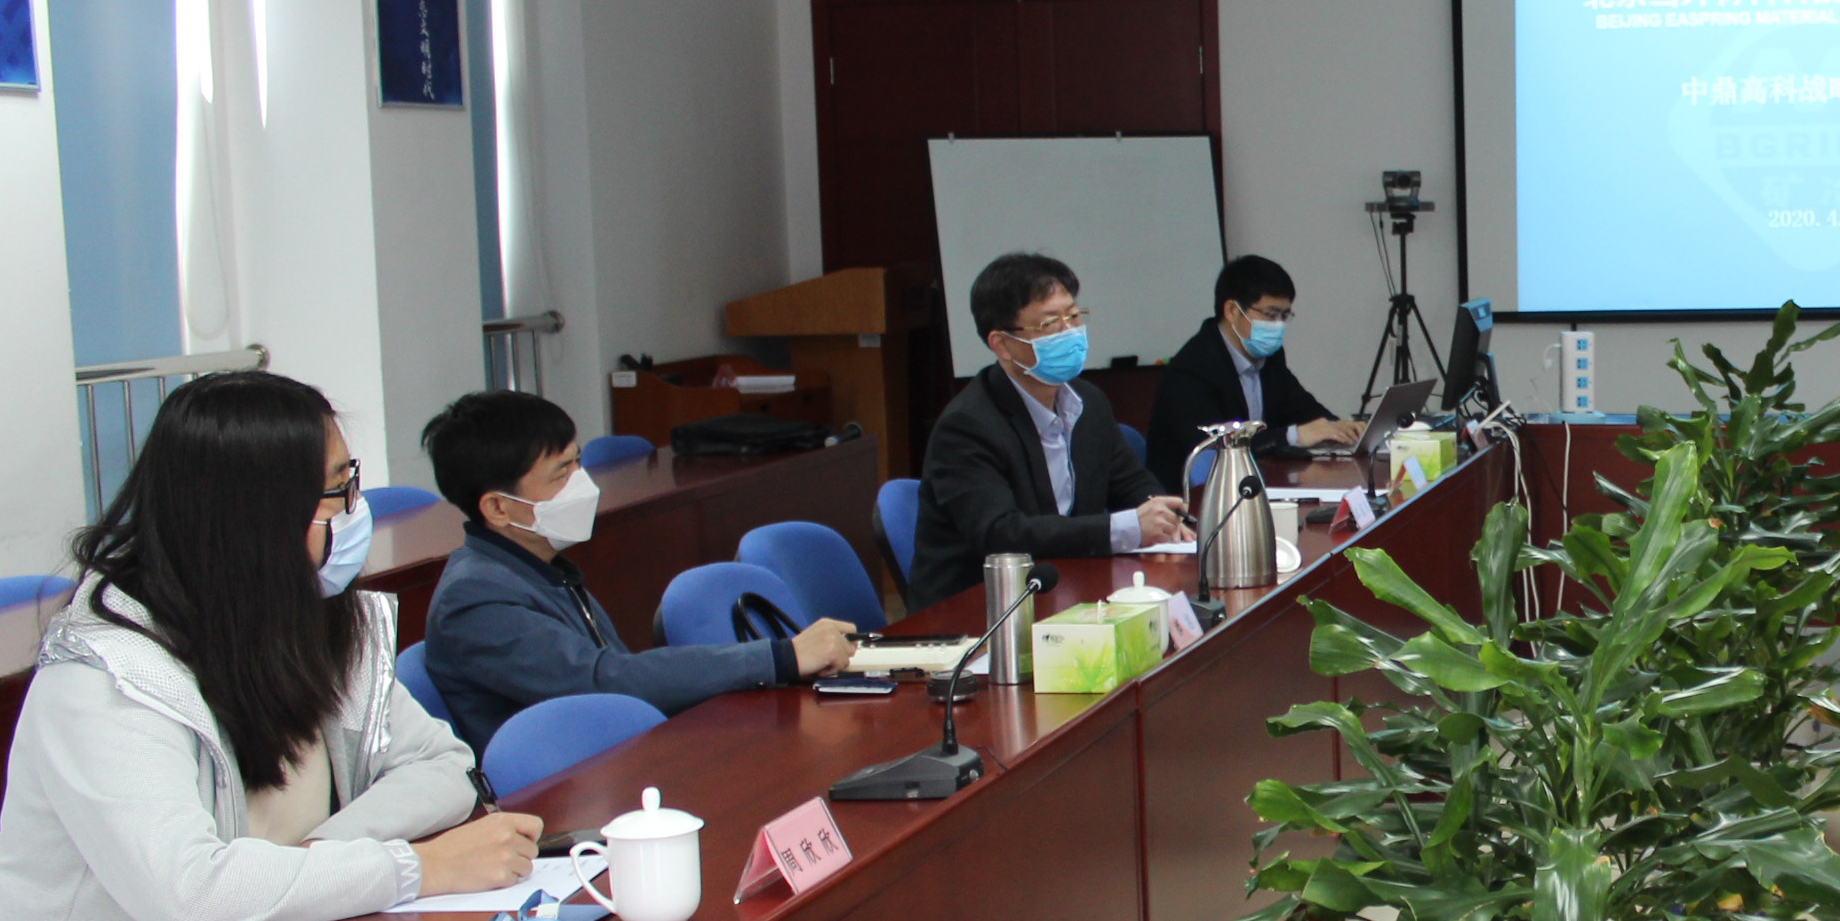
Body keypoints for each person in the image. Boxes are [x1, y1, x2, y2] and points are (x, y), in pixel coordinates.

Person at [0, 372, 540, 921]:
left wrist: (315, 861)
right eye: (334, 492)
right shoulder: (103, 678)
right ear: (253, 515)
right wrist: (415, 867)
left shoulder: (311, 622)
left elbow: (443, 766)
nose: (352, 513)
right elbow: (189, 892)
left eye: (349, 482)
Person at [418, 391, 860, 749]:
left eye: (578, 461)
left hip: (613, 757)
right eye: (561, 472)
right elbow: (604, 680)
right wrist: (780, 657)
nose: (581, 482)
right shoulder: (475, 599)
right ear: (497, 508)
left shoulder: (537, 566)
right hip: (562, 791)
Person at [910, 253, 1189, 608]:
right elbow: (1002, 534)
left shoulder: (1088, 401)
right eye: (1050, 323)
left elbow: (1128, 480)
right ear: (1002, 344)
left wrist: (1163, 515)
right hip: (979, 608)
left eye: (1073, 316)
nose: (1069, 331)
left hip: (1067, 586)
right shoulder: (967, 426)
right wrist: (1124, 528)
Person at [1145, 255, 1366, 484]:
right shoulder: (1192, 367)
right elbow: (1213, 448)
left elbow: (1300, 405)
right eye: (1270, 315)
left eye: (1284, 316)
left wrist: (1336, 427)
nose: (1278, 325)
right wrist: (1294, 435)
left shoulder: (1269, 355)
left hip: (1254, 482)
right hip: (1190, 495)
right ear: (1232, 310)